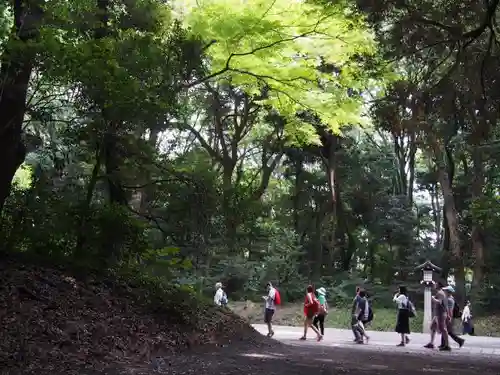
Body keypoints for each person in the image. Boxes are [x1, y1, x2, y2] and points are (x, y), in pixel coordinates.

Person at [424, 281, 450, 351]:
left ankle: (447, 345)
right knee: (432, 327)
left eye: (436, 284)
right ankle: (431, 343)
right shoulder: (440, 292)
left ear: (439, 286)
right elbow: (445, 305)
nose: (434, 285)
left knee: (443, 329)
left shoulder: (440, 293)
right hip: (437, 314)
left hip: (440, 314)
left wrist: (433, 299)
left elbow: (439, 302)